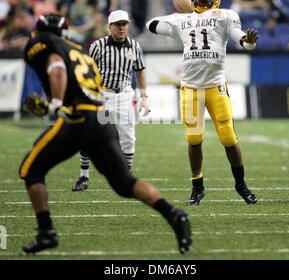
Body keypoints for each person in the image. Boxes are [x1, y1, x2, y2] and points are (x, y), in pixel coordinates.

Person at [20, 13, 192, 254]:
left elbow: (57, 68)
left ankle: (46, 232)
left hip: (79, 116)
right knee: (124, 183)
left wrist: (55, 104)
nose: (122, 28)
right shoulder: (84, 48)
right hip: (98, 111)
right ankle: (173, 214)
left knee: (31, 170)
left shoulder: (49, 46)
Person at [146, 0, 259, 206]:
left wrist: (249, 42)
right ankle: (198, 187)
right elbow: (151, 24)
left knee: (228, 138)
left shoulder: (224, 15)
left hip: (215, 87)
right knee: (194, 139)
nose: (203, 2)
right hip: (191, 88)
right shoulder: (183, 20)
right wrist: (185, 16)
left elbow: (242, 40)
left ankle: (241, 185)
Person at [72, 10, 149, 191]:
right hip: (102, 96)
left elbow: (139, 71)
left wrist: (144, 97)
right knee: (90, 136)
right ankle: (84, 176)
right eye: (118, 25)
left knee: (128, 138)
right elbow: (88, 70)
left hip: (124, 95)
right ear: (110, 27)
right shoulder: (98, 46)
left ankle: (126, 176)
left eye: (124, 24)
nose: (122, 28)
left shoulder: (134, 46)